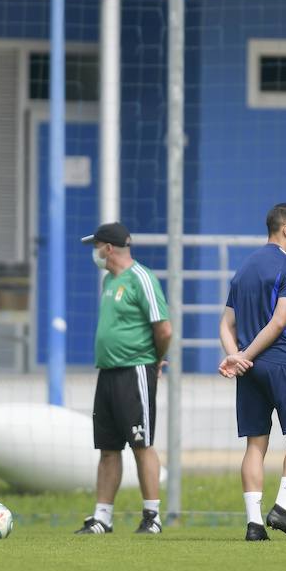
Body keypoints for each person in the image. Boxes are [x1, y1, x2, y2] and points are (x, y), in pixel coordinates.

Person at [219, 203, 286, 542]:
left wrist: (235, 358)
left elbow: (225, 324)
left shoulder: (245, 268)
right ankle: (283, 509)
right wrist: (244, 355)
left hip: (248, 369)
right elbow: (279, 322)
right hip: (277, 361)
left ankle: (254, 524)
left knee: (255, 443)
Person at [73, 222, 172, 535]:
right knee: (108, 447)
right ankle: (102, 517)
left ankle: (152, 516)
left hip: (136, 370)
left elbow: (164, 328)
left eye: (96, 246)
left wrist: (155, 361)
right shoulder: (108, 282)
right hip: (108, 373)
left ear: (109, 248)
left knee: (141, 443)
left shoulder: (142, 279)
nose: (95, 252)